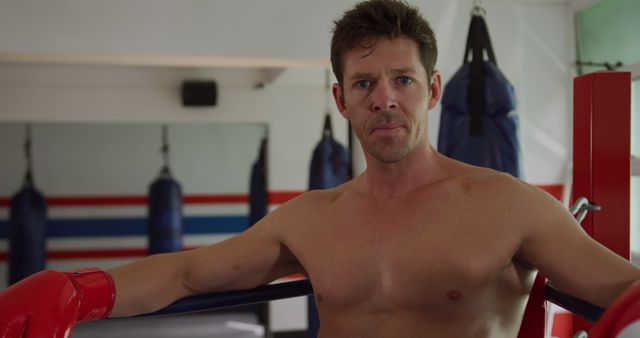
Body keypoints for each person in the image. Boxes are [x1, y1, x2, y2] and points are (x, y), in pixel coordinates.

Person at [1, 1, 639, 337]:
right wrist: (81, 290)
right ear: (341, 99)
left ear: (434, 89)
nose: (383, 97)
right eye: (363, 82)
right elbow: (191, 272)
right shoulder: (310, 219)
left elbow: (621, 290)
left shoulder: (510, 207)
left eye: (402, 80)